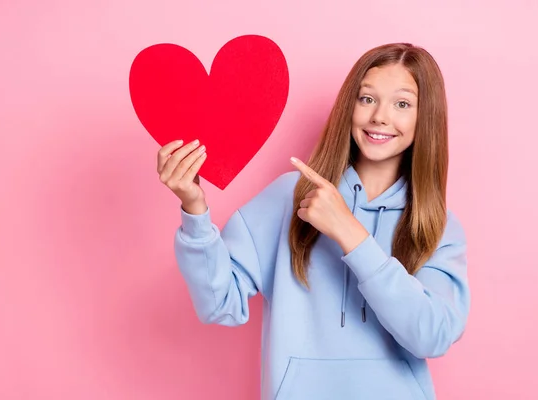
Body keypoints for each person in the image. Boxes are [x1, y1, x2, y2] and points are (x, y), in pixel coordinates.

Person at [157, 42, 470, 400]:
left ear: (424, 116)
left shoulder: (437, 225)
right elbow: (218, 304)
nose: (380, 116)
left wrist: (350, 234)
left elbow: (433, 335)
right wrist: (194, 208)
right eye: (367, 99)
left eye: (402, 104)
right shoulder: (290, 197)